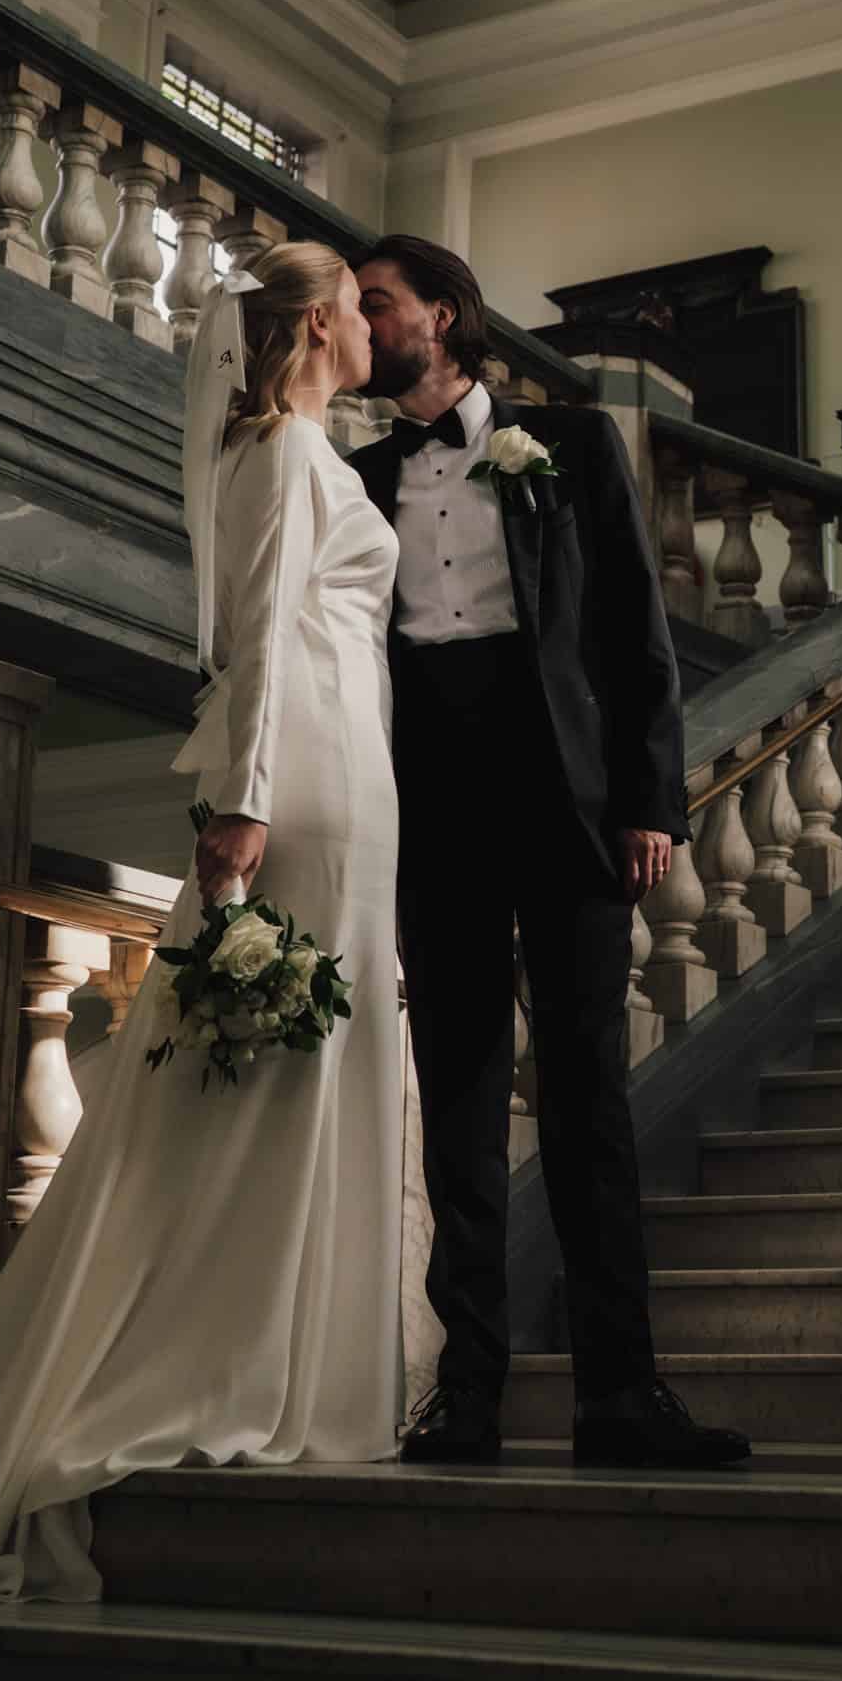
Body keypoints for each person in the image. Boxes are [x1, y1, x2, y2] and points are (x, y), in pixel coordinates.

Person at [0, 241, 404, 1607]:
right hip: (308, 779)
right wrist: (243, 804)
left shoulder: (310, 450)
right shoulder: (276, 450)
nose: (369, 324)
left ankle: (296, 1334)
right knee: (271, 1054)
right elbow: (259, 639)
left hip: (356, 760)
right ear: (320, 324)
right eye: (353, 303)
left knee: (315, 1053)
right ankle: (223, 1344)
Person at [350, 234, 750, 1469]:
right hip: (434, 809)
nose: (361, 329)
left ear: (445, 314)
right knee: (458, 1108)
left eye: (378, 306)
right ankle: (463, 1394)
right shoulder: (358, 477)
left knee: (589, 1102)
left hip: (566, 803)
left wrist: (649, 802)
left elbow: (635, 632)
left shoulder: (571, 446)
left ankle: (619, 1396)